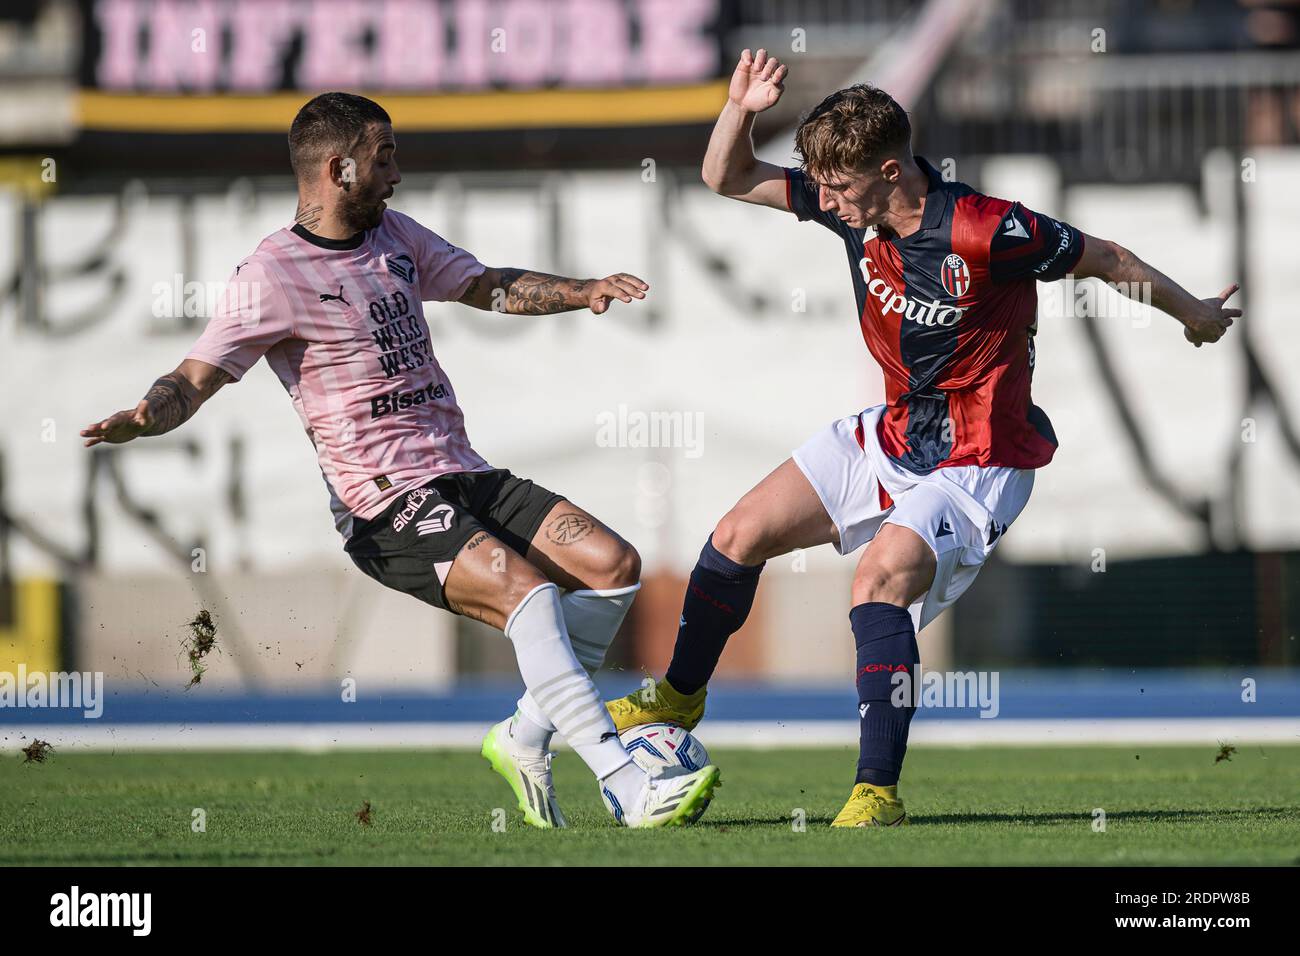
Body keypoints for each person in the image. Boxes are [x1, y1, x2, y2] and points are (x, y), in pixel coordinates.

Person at [604, 50, 1239, 826]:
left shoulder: (988, 229)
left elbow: (1107, 258)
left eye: (839, 186)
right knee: (736, 536)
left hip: (979, 459)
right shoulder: (851, 210)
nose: (827, 201)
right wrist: (741, 107)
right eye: (823, 187)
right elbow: (725, 177)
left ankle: (877, 790)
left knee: (878, 583)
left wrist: (1194, 315)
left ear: (891, 171)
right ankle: (680, 696)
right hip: (892, 434)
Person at [80, 91, 720, 830]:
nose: (397, 173)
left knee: (613, 564)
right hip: (384, 505)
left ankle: (524, 737)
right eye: (384, 158)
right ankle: (624, 783)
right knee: (530, 596)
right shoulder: (271, 274)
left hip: (460, 469)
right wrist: (145, 415)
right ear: (337, 166)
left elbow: (484, 284)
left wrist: (584, 290)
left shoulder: (396, 237)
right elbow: (194, 378)